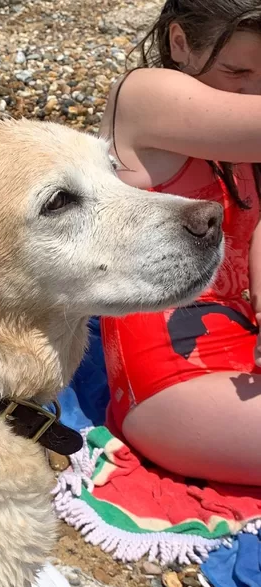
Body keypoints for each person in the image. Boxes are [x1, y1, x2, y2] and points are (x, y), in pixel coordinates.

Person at [99, 0, 261, 486]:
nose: (254, 91)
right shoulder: (145, 93)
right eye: (237, 70)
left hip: (244, 343)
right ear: (179, 42)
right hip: (169, 375)